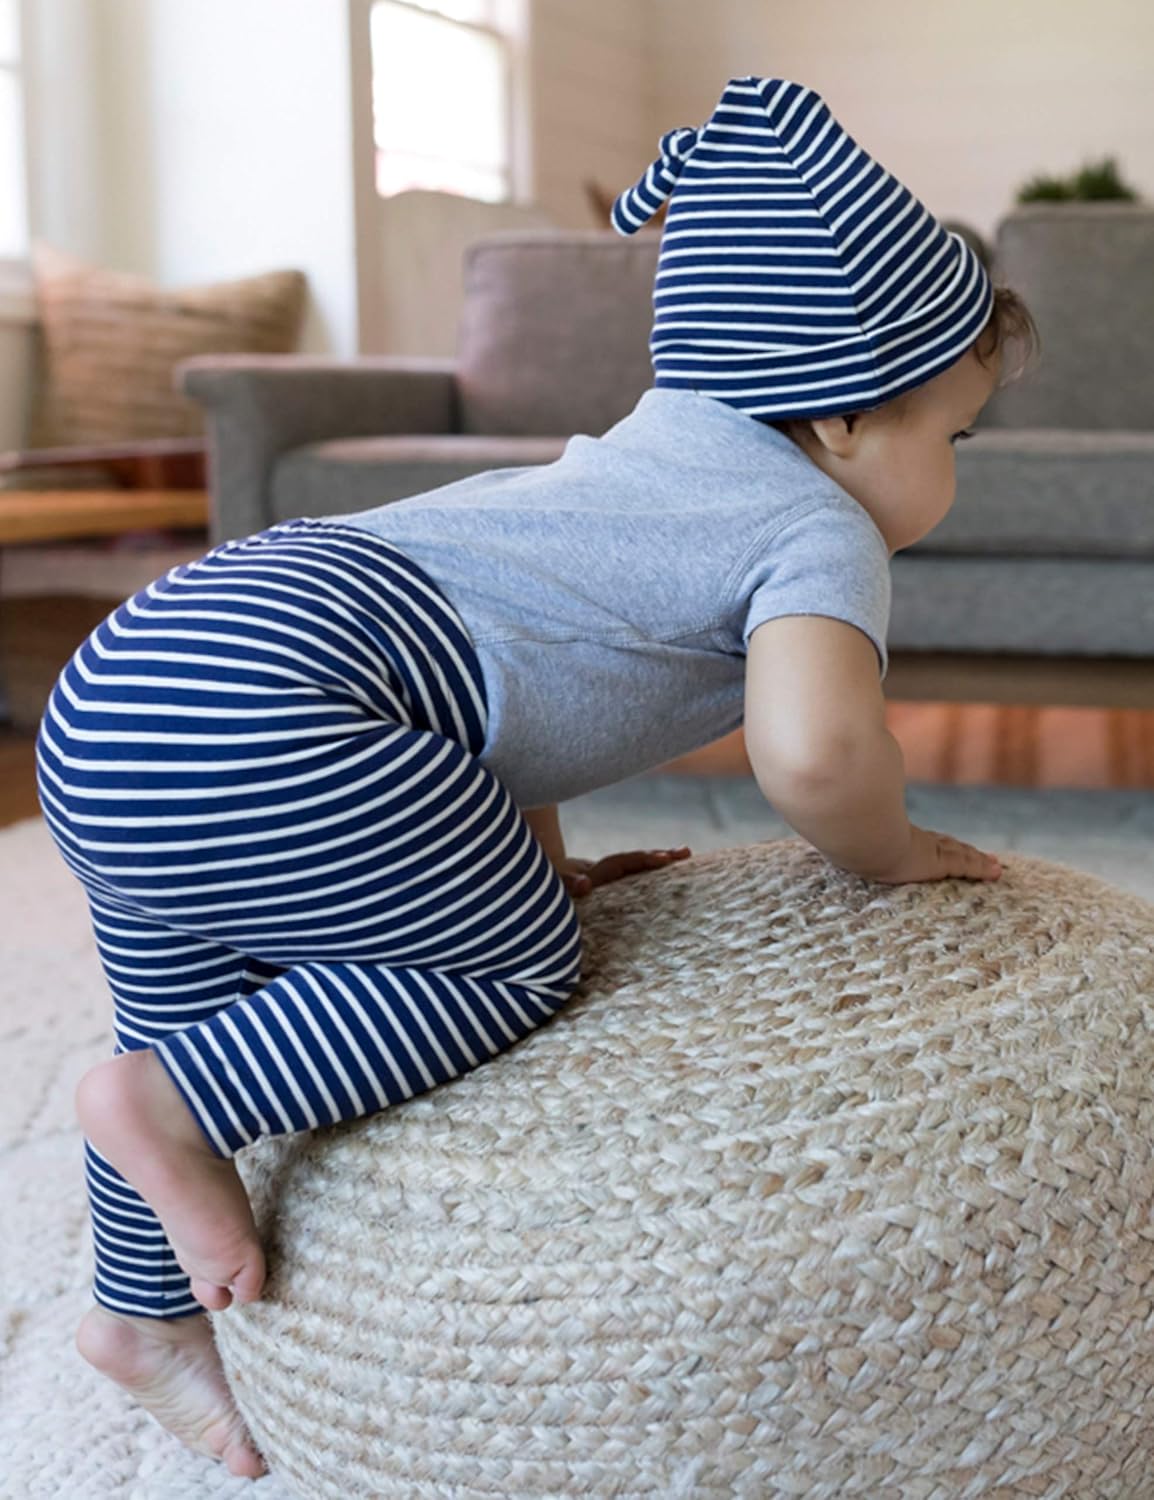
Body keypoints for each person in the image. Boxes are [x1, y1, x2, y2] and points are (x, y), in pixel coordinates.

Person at [36, 73, 1037, 1479]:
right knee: (512, 957)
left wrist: (530, 851)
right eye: (954, 436)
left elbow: (513, 690)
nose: (955, 470)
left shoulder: (621, 463)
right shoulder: (813, 526)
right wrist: (891, 851)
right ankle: (167, 1110)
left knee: (191, 986)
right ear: (839, 423)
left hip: (138, 678)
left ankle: (138, 1311)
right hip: (276, 706)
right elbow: (816, 754)